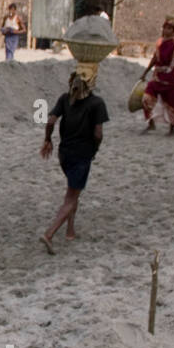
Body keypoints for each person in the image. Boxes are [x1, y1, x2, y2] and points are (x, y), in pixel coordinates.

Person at [38, 67, 108, 254]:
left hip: (64, 154)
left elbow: (51, 121)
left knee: (72, 189)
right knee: (71, 197)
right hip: (82, 155)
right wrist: (95, 149)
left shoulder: (64, 99)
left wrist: (47, 140)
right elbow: (98, 134)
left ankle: (70, 230)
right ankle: (49, 234)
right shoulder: (97, 103)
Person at [141, 16, 174, 134]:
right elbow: (155, 58)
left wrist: (169, 68)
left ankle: (172, 128)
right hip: (157, 76)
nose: (165, 31)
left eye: (169, 28)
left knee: (171, 103)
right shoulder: (160, 42)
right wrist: (145, 72)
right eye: (164, 28)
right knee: (146, 99)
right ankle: (151, 123)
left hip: (170, 78)